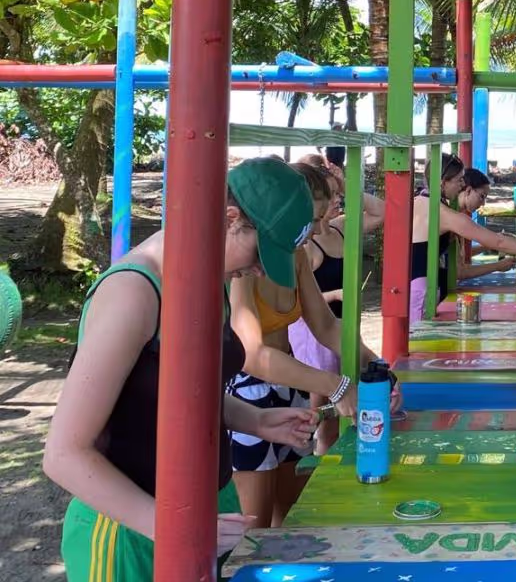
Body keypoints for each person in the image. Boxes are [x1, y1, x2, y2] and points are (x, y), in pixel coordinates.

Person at [44, 157, 320, 582]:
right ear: (230, 219)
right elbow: (63, 454)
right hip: (132, 530)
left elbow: (176, 392)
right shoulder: (133, 292)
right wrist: (174, 528)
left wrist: (256, 419)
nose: (261, 270)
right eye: (261, 253)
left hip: (203, 511)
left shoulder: (215, 278)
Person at [228, 160, 383, 528]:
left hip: (290, 385)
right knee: (255, 528)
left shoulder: (294, 255)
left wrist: (377, 367)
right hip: (244, 395)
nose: (315, 230)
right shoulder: (244, 262)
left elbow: (326, 326)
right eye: (309, 221)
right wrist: (336, 385)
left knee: (295, 517)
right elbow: (250, 354)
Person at [409, 154, 516, 321]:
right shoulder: (443, 213)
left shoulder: (419, 200)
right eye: (459, 180)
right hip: (421, 291)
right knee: (418, 336)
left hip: (410, 285)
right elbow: (499, 242)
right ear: (443, 182)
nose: (462, 184)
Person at [452, 167, 516, 280]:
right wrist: (497, 266)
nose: (483, 203)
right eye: (482, 196)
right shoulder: (453, 218)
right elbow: (459, 272)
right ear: (468, 190)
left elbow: (461, 255)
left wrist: (489, 245)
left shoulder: (456, 214)